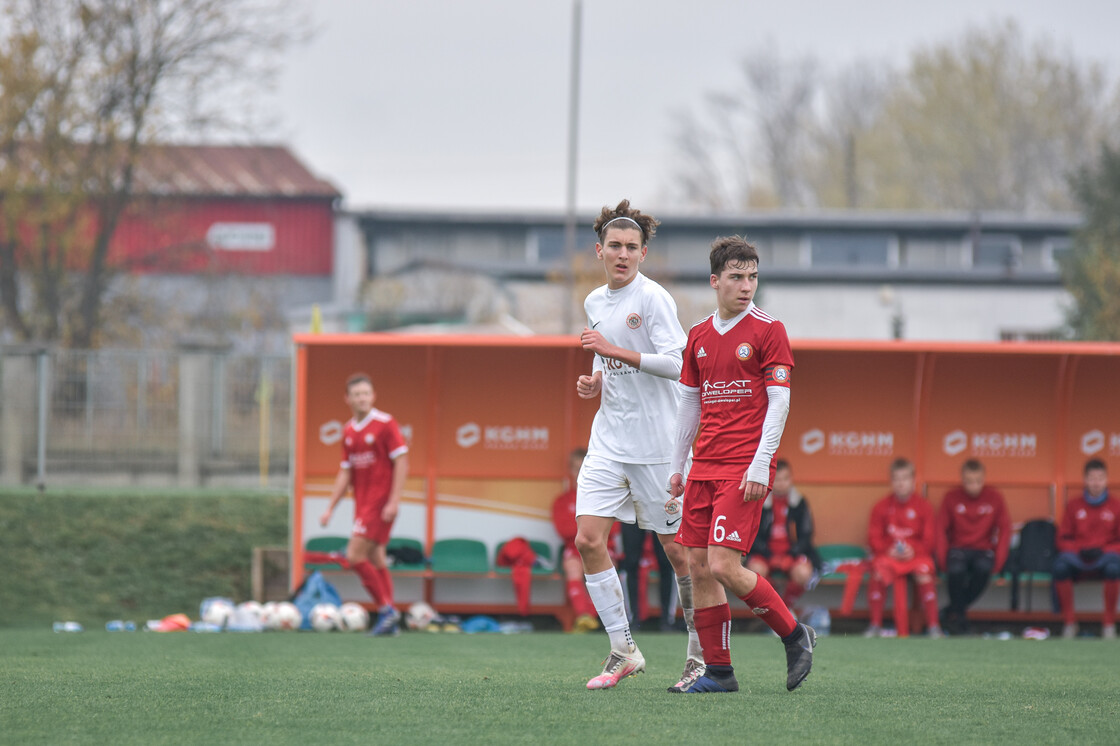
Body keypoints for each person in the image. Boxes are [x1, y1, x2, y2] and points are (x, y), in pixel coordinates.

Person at [668, 235, 816, 695]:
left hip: (743, 467)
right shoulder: (698, 336)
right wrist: (678, 466)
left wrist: (761, 463)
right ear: (715, 281)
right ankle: (720, 672)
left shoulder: (769, 330)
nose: (746, 285)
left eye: (752, 276)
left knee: (724, 565)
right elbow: (689, 405)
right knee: (696, 564)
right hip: (704, 467)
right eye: (736, 277)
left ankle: (795, 636)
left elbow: (780, 403)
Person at [573, 199, 702, 691]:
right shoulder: (593, 301)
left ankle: (700, 654)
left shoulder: (654, 299)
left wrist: (611, 352)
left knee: (678, 553)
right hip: (608, 440)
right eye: (615, 246)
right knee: (587, 540)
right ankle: (624, 649)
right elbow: (605, 365)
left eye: (632, 247)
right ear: (599, 251)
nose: (623, 254)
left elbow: (676, 362)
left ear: (644, 252)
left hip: (657, 446)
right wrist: (595, 382)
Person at [319, 373, 409, 636]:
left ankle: (386, 611)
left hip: (380, 503)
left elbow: (402, 461)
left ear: (373, 396)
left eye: (366, 393)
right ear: (348, 398)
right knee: (376, 557)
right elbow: (345, 472)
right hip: (363, 503)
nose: (362, 398)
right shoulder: (348, 431)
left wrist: (394, 500)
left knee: (354, 556)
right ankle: (390, 616)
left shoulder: (385, 423)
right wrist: (330, 508)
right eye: (357, 394)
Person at [865, 457, 944, 639]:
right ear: (891, 481)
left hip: (916, 556)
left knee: (924, 572)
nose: (901, 483)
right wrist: (888, 549)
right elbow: (874, 538)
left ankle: (934, 626)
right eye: (897, 479)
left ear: (913, 480)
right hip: (890, 556)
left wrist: (913, 550)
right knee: (878, 571)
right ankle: (875, 625)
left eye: (905, 478)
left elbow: (930, 540)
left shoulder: (924, 506)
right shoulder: (881, 506)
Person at [935, 458, 1011, 635]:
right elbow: (940, 529)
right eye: (969, 481)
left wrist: (999, 562)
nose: (973, 486)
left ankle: (953, 612)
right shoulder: (951, 497)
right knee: (955, 570)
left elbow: (1005, 529)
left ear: (984, 479)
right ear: (962, 479)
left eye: (977, 481)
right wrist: (942, 559)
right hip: (958, 549)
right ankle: (959, 617)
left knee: (983, 567)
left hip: (983, 550)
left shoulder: (995, 497)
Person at [1053, 458, 1120, 640]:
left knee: (1115, 567)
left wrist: (1104, 550)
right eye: (1092, 478)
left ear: (1106, 480)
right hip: (1079, 556)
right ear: (1085, 480)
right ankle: (1069, 623)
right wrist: (1078, 549)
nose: (1096, 483)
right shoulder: (1074, 505)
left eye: (1100, 478)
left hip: (1104, 556)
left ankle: (1108, 624)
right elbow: (1062, 539)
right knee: (1060, 567)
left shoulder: (1116, 506)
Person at [745, 459, 822, 612]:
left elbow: (806, 535)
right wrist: (769, 555)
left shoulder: (799, 502)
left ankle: (785, 609)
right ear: (770, 480)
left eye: (785, 478)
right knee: (755, 572)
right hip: (765, 554)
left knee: (803, 572)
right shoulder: (759, 500)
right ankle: (772, 609)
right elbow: (751, 534)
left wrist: (790, 554)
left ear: (791, 479)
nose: (781, 483)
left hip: (791, 555)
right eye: (777, 479)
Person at [551, 448, 601, 632]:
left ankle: (591, 616)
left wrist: (580, 528)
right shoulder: (562, 500)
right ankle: (584, 616)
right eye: (576, 468)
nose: (579, 473)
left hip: (600, 546)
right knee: (573, 566)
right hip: (574, 547)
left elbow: (613, 529)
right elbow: (562, 529)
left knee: (602, 570)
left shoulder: (602, 498)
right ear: (571, 471)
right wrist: (589, 528)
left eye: (584, 468)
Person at [618, 523, 677, 630]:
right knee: (630, 562)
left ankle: (667, 621)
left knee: (667, 561)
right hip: (632, 508)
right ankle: (631, 619)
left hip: (660, 508)